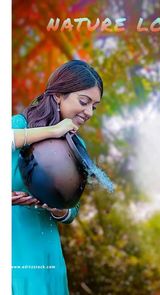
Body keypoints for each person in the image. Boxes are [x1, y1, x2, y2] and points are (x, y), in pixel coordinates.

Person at [12, 60, 103, 294]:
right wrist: (53, 131)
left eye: (94, 106)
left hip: (47, 250)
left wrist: (59, 209)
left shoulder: (76, 144)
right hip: (14, 245)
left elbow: (73, 206)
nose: (89, 112)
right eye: (84, 102)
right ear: (59, 95)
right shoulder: (21, 126)